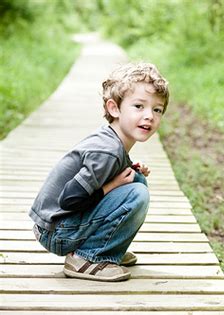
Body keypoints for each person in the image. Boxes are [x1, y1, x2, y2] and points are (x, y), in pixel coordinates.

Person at [29, 62, 169, 282]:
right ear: (114, 108)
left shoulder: (113, 142)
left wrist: (130, 169)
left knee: (137, 180)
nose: (149, 115)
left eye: (157, 109)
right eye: (139, 106)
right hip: (56, 230)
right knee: (136, 194)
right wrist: (112, 186)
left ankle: (109, 249)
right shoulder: (108, 151)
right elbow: (69, 199)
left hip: (59, 225)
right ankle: (89, 257)